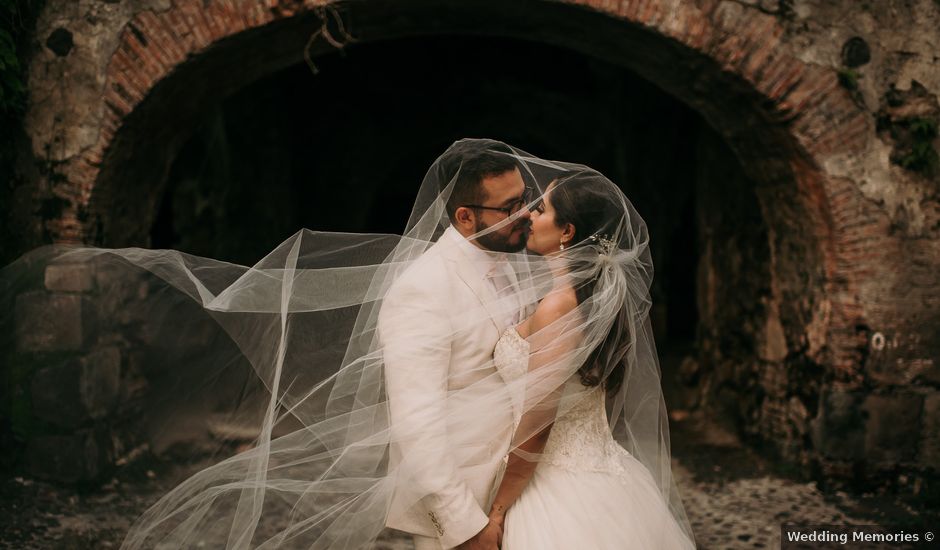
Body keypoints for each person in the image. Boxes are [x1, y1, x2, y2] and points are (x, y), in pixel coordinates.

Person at [484, 173, 696, 549]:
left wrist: (497, 511)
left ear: (566, 231)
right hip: (600, 472)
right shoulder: (588, 302)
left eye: (542, 209)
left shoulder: (559, 307)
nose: (530, 215)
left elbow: (536, 426)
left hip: (555, 488)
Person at [377, 139, 533, 550]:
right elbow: (417, 424)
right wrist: (464, 525)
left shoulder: (507, 264)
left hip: (513, 489)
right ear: (465, 216)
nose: (527, 215)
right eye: (509, 207)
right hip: (464, 501)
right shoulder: (422, 289)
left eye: (525, 199)